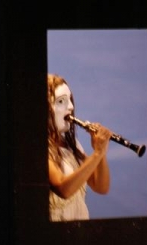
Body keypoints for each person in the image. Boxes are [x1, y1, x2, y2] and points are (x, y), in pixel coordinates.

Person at [47, 73, 112, 222]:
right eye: (61, 101)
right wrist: (97, 153)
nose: (70, 106)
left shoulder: (72, 145)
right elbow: (64, 189)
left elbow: (101, 187)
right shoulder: (39, 149)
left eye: (70, 100)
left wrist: (100, 153)